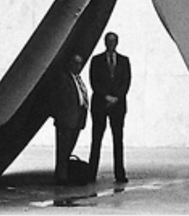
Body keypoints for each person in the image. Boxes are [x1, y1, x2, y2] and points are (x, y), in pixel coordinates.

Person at [88, 31, 131, 183]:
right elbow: (94, 82)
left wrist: (116, 98)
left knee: (118, 140)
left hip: (118, 105)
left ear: (117, 42)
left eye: (113, 41)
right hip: (100, 103)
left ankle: (120, 173)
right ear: (105, 42)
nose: (111, 43)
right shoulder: (96, 60)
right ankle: (91, 173)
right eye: (108, 41)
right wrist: (106, 96)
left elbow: (126, 82)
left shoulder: (124, 61)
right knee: (96, 139)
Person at [51, 53, 89, 185]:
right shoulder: (63, 78)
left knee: (68, 148)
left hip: (77, 118)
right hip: (66, 119)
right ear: (70, 64)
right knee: (63, 149)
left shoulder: (77, 78)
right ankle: (61, 177)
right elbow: (57, 99)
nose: (78, 66)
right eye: (76, 63)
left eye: (80, 63)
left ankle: (64, 174)